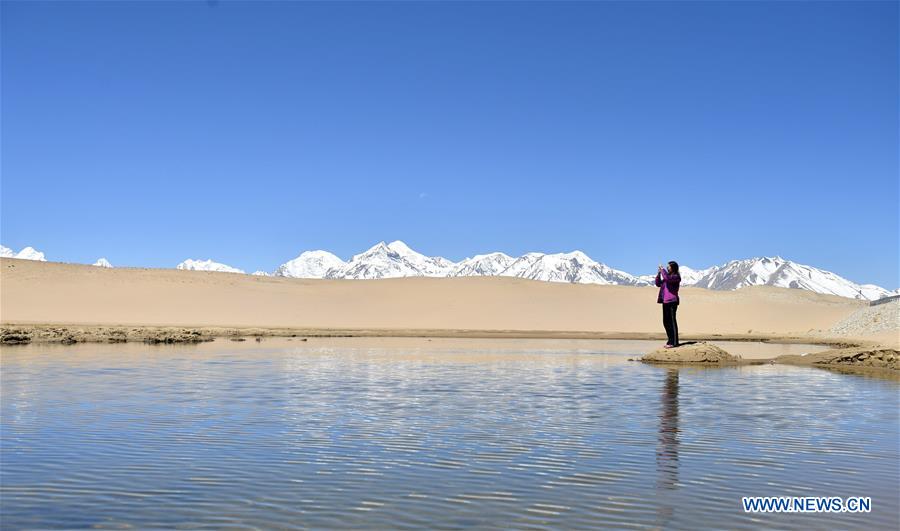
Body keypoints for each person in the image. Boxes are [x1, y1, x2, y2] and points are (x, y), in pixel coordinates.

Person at [655, 261, 681, 348]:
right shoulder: (666, 278)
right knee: (666, 322)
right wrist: (659, 273)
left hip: (672, 302)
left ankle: (674, 342)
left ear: (673, 268)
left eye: (669, 267)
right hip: (665, 302)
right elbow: (658, 283)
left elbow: (667, 278)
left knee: (672, 322)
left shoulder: (676, 277)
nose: (667, 268)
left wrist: (662, 270)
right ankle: (670, 341)